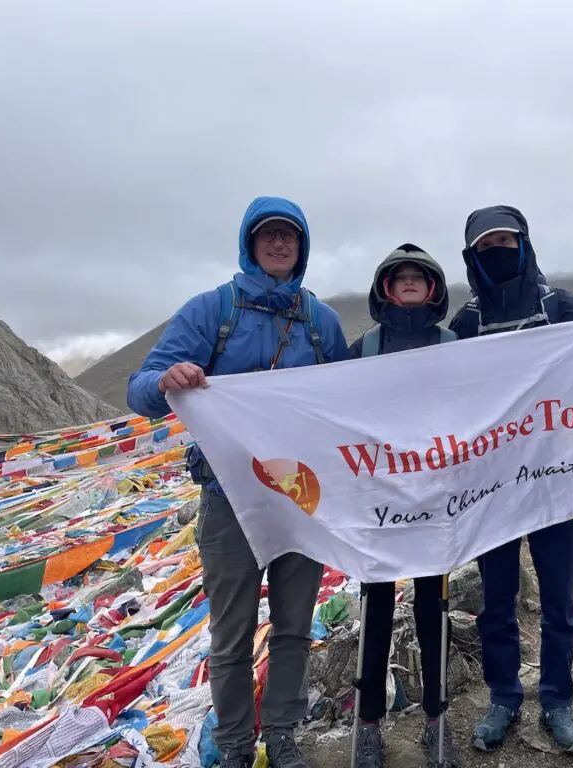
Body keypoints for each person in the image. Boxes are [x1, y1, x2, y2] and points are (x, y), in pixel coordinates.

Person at [127, 196, 350, 768]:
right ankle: (232, 747)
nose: (279, 245)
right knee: (230, 634)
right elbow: (141, 386)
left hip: (303, 497)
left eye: (290, 237)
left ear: (302, 248)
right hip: (229, 498)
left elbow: (347, 400)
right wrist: (165, 381)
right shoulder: (212, 310)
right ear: (249, 243)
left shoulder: (321, 322)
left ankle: (282, 735)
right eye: (267, 236)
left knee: (296, 626)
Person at [448, 205, 573, 754]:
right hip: (493, 489)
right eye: (486, 247)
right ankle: (503, 696)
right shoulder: (463, 324)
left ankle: (557, 700)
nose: (498, 252)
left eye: (506, 241)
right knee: (497, 601)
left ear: (526, 244)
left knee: (560, 601)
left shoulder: (562, 309)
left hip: (554, 483)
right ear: (471, 257)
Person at [347, 244, 459, 768]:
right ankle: (368, 722)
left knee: (434, 607)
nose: (410, 281)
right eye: (400, 276)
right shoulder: (363, 348)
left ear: (433, 287)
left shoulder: (453, 344)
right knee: (376, 608)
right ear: (385, 288)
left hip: (435, 497)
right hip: (379, 502)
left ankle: (437, 719)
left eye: (419, 275)